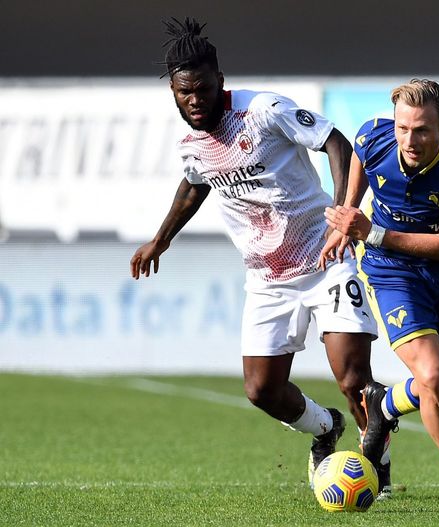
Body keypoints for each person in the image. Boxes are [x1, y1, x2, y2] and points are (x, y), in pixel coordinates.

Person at [129, 17, 394, 497]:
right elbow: (194, 185)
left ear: (220, 82)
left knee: (354, 378)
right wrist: (161, 238)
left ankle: (378, 464)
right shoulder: (191, 142)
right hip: (267, 277)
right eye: (183, 92)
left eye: (203, 89)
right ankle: (324, 430)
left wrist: (343, 211)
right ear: (173, 90)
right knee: (261, 391)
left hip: (324, 258)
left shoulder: (265, 110)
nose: (194, 100)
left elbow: (336, 141)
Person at [319, 79, 439, 510]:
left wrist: (371, 231)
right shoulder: (374, 134)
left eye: (422, 130)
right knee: (432, 376)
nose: (410, 139)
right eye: (404, 127)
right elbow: (361, 159)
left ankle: (385, 405)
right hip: (393, 273)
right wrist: (347, 216)